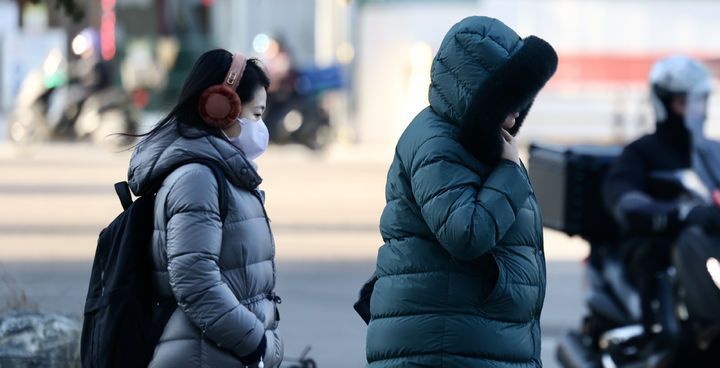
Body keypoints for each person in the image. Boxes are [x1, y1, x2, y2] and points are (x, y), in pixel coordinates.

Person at [365, 16, 557, 367]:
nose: (516, 108)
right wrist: (509, 172)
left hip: (467, 339)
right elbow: (466, 232)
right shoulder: (437, 144)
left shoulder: (478, 142)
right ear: (479, 93)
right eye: (507, 96)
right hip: (447, 345)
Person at [126, 49, 283, 367]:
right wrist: (255, 343)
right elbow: (195, 282)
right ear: (221, 107)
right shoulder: (197, 179)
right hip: (203, 356)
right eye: (256, 114)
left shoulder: (220, 175)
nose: (261, 128)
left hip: (220, 353)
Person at [603, 55, 720, 343]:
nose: (697, 110)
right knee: (655, 254)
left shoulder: (713, 152)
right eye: (686, 102)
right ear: (664, 103)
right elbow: (624, 200)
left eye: (701, 101)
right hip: (659, 246)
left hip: (707, 246)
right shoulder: (641, 153)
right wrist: (679, 213)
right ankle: (653, 335)